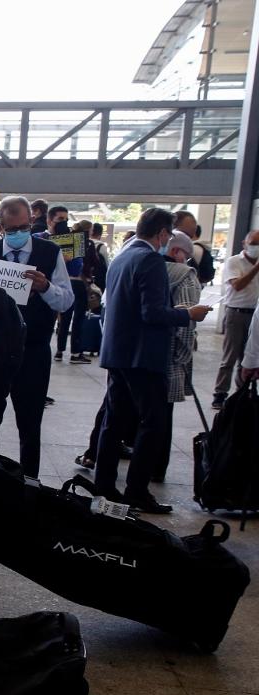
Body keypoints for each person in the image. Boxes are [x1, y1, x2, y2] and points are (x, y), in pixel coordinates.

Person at [94, 207, 210, 513]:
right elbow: (153, 313)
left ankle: (103, 485)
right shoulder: (150, 260)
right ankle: (136, 491)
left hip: (118, 352)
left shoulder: (123, 256)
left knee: (114, 422)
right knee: (153, 423)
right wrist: (188, 314)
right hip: (143, 355)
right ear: (161, 234)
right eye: (168, 235)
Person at [0, 196, 74, 477]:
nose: (17, 234)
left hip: (33, 351)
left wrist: (46, 288)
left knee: (30, 424)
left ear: (31, 222)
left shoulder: (49, 253)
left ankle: (30, 484)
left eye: (22, 227)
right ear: (0, 227)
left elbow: (66, 302)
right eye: (10, 229)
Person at [152, 230, 201, 482]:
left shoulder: (135, 266)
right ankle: (154, 470)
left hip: (135, 357)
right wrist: (182, 357)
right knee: (160, 418)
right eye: (187, 255)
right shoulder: (185, 276)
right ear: (177, 252)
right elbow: (187, 321)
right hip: (167, 359)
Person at [212, 230, 259, 409]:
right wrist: (256, 267)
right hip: (236, 314)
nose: (256, 248)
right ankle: (220, 394)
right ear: (244, 244)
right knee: (229, 357)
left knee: (248, 358)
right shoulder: (233, 262)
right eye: (253, 243)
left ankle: (242, 394)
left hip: (255, 315)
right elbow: (238, 285)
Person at [53, 220, 94, 364]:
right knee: (78, 319)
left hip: (63, 282)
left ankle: (59, 351)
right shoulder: (80, 241)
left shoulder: (57, 242)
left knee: (64, 318)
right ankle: (76, 352)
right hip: (77, 282)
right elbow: (79, 267)